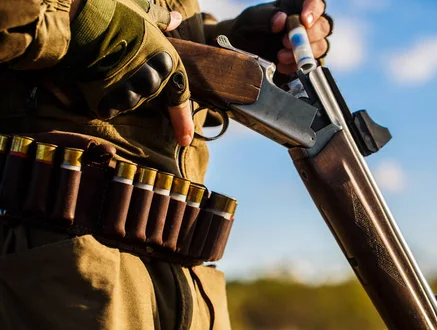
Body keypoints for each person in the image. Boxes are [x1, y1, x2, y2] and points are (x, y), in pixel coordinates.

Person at [0, 0, 332, 329]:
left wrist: (226, 43)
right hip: (59, 272)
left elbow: (156, 28)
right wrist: (86, 19)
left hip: (185, 279)